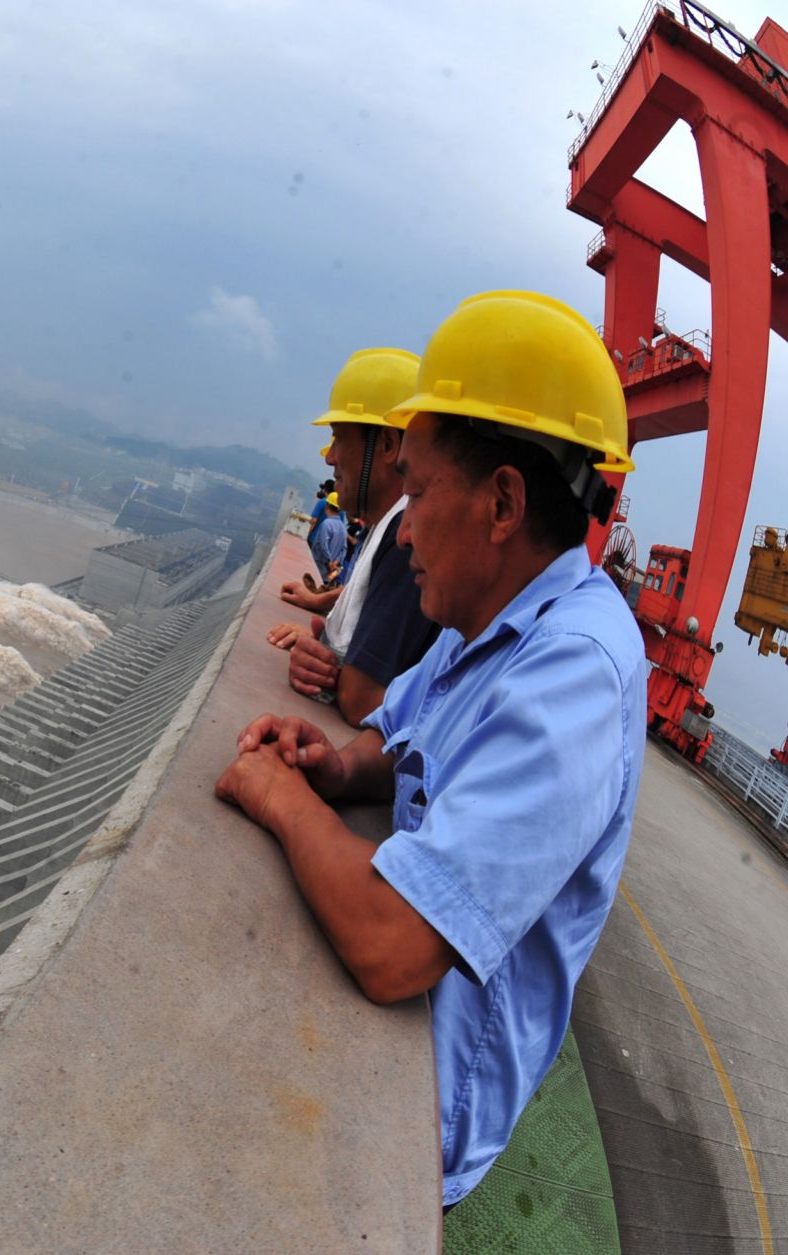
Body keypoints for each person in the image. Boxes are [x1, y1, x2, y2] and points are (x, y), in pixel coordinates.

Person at [218, 290, 646, 1209]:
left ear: (501, 503)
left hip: (428, 1110)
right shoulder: (483, 611)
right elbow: (396, 731)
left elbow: (392, 943)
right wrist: (335, 766)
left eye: (416, 491)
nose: (400, 527)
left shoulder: (578, 673)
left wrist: (280, 796)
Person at [273, 347, 439, 726]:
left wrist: (329, 666)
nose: (329, 457)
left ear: (386, 446)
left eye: (338, 438)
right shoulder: (385, 528)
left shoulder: (405, 539)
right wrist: (323, 640)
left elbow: (362, 700)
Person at [307, 489, 348, 582]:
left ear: (327, 506)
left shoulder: (326, 524)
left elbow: (323, 545)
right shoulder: (342, 527)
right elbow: (344, 549)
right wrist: (336, 561)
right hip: (330, 569)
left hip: (319, 564)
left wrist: (329, 561)